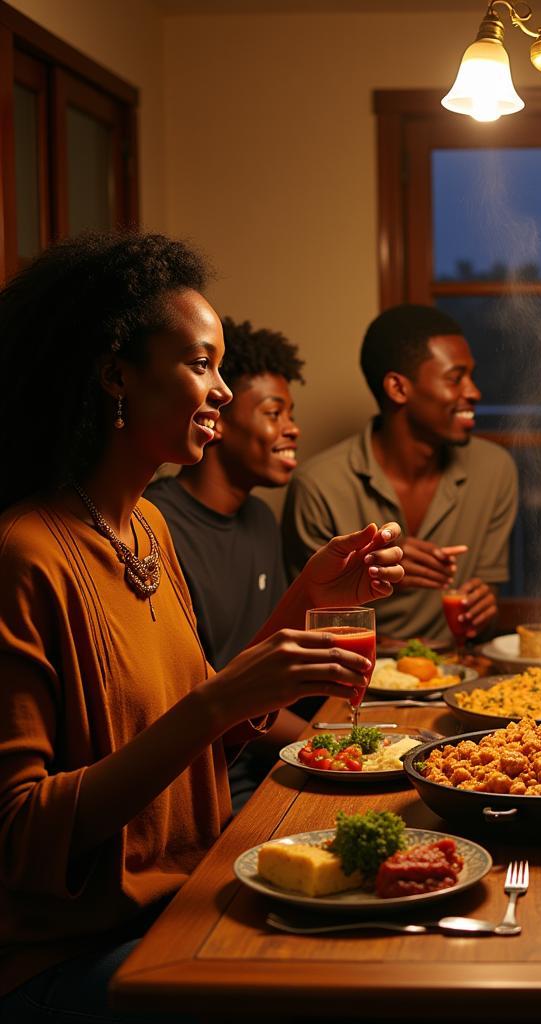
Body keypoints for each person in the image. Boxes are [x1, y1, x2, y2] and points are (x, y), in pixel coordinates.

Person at [0, 233, 404, 1022]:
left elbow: (198, 732)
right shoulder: (26, 554)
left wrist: (309, 597)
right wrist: (216, 705)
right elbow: (17, 835)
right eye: (201, 363)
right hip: (72, 954)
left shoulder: (148, 528)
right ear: (117, 373)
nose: (221, 390)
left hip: (181, 900)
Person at [146, 317, 313, 811]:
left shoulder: (260, 519)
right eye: (273, 412)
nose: (292, 428)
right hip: (206, 789)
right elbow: (187, 695)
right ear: (217, 419)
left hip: (272, 772)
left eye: (291, 412)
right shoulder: (157, 523)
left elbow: (279, 661)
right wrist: (323, 742)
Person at [282, 303, 518, 644]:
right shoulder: (318, 486)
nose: (474, 392)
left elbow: (485, 594)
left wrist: (483, 606)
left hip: (458, 668)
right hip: (354, 674)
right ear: (398, 388)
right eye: (455, 378)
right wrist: (374, 574)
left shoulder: (495, 471)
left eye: (471, 376)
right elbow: (307, 621)